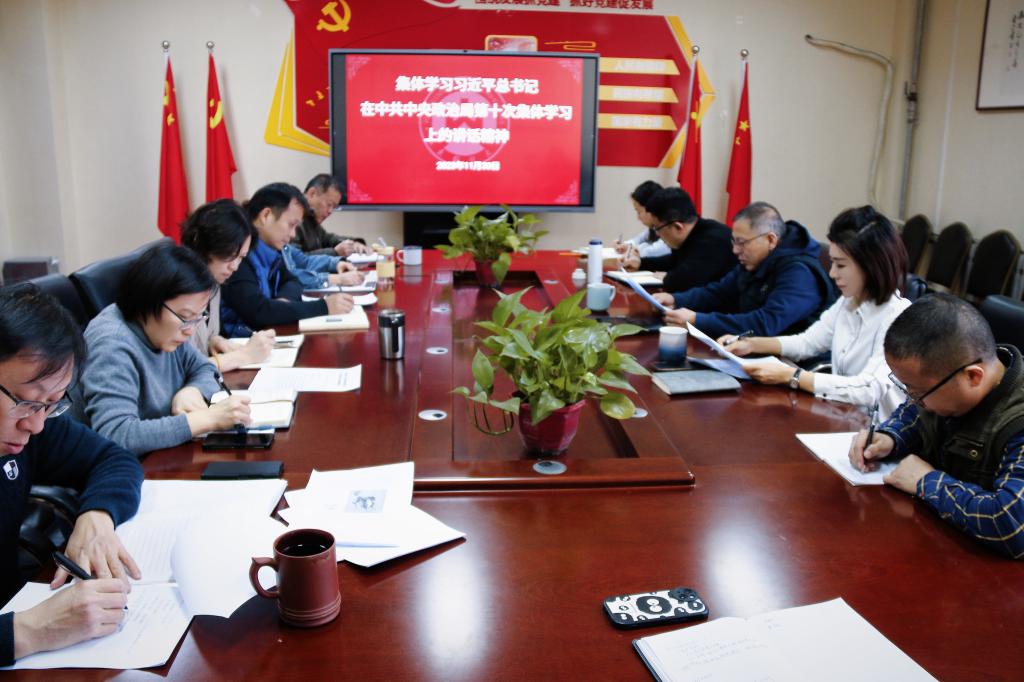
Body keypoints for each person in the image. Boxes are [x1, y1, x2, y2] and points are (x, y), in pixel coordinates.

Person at [0, 286, 143, 665]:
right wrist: (30, 630)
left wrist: (97, 515)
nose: (36, 425)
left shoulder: (31, 424)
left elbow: (114, 458)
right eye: (26, 403)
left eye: (51, 404)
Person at [849, 293, 1024, 558]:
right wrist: (889, 437)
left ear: (973, 377)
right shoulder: (947, 378)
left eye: (918, 392)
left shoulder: (1016, 420)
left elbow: (1011, 525)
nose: (913, 399)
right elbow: (916, 414)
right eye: (906, 388)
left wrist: (926, 481)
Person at [722, 206, 910, 418]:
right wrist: (751, 344)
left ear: (871, 266)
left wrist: (793, 376)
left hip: (877, 430)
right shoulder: (848, 302)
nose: (832, 273)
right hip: (841, 416)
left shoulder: (899, 317)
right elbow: (807, 343)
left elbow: (868, 389)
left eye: (840, 265)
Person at [80, 244, 252, 455]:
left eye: (198, 317)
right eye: (186, 317)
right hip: (136, 467)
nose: (190, 330)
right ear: (148, 299)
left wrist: (192, 390)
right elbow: (117, 434)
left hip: (165, 456)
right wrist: (206, 419)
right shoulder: (111, 343)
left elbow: (205, 368)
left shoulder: (166, 329)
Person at [653, 201, 835, 338]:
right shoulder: (754, 260)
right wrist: (676, 299)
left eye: (742, 242)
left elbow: (765, 324)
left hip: (793, 364)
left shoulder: (799, 273)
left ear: (770, 240)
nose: (735, 250)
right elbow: (719, 292)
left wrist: (697, 320)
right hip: (751, 350)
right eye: (734, 241)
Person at [220, 183, 355, 338]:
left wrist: (282, 302)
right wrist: (324, 307)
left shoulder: (272, 250)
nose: (292, 235)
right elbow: (259, 312)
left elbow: (292, 280)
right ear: (266, 216)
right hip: (238, 342)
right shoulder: (239, 254)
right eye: (291, 225)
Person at [180, 199, 276, 372]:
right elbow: (180, 371)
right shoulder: (177, 291)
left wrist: (214, 341)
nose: (235, 266)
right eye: (230, 255)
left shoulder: (214, 282)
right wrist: (245, 356)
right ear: (205, 245)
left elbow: (202, 340)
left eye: (241, 257)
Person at [621, 187, 734, 294]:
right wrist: (641, 263)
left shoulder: (713, 240)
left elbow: (685, 281)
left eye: (657, 228)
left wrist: (668, 277)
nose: (657, 234)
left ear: (677, 227)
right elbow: (674, 261)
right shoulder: (693, 233)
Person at [291, 174, 371, 257]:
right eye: (329, 204)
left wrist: (353, 244)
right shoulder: (293, 219)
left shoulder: (311, 219)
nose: (330, 211)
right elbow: (295, 259)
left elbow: (329, 239)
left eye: (334, 207)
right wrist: (335, 252)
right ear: (312, 194)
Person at [614, 180, 669, 259]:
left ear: (651, 209)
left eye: (639, 211)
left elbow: (651, 252)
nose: (638, 218)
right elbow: (638, 240)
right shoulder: (655, 226)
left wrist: (634, 249)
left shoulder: (670, 226)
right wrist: (623, 245)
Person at [281, 242, 364, 291]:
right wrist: (336, 279)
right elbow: (287, 276)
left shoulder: (284, 245)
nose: (293, 234)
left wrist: (336, 264)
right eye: (290, 225)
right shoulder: (275, 249)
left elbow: (306, 262)